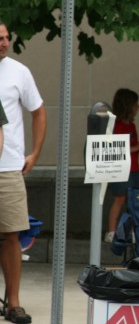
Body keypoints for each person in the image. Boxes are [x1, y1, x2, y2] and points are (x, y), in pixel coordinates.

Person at [0, 22, 47, 324]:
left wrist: (35, 153)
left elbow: (38, 110)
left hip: (8, 169)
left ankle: (13, 302)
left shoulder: (19, 72)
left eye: (6, 38)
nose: (4, 43)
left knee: (11, 236)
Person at [104, 88, 139, 242]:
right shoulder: (116, 126)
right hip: (121, 169)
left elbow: (132, 146)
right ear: (128, 105)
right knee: (120, 198)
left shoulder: (131, 126)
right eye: (135, 104)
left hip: (134, 169)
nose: (138, 107)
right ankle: (111, 232)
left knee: (135, 200)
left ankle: (130, 231)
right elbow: (118, 148)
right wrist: (138, 147)